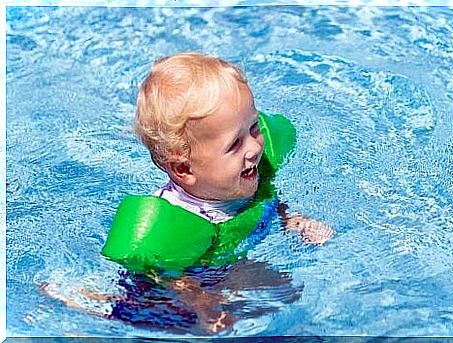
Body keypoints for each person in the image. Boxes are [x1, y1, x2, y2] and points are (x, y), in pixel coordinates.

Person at [40, 52, 334, 334]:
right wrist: (200, 303)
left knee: (287, 292)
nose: (255, 147)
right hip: (177, 283)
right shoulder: (178, 216)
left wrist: (293, 219)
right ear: (184, 169)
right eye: (235, 145)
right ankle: (93, 301)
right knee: (155, 319)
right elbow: (164, 272)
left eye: (254, 127)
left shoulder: (247, 173)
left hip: (226, 266)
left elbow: (268, 197)